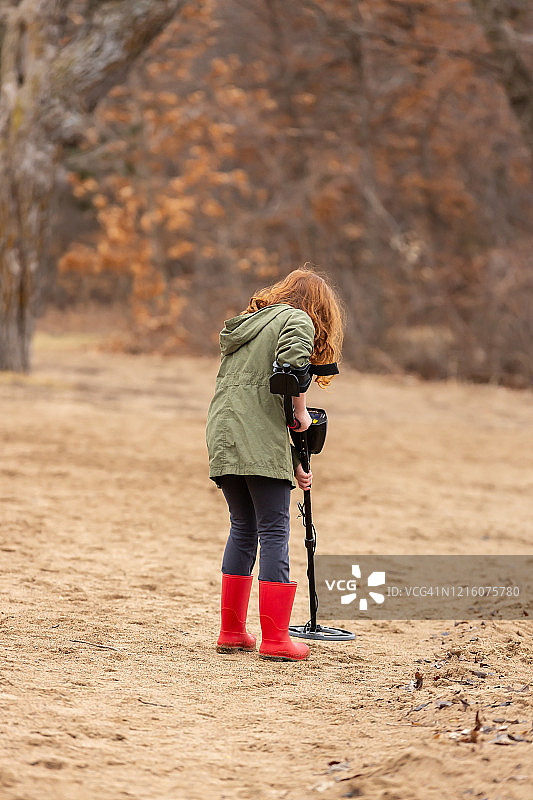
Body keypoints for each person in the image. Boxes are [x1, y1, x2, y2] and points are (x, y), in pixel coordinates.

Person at [206, 267, 344, 661]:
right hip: (257, 435)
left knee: (243, 527)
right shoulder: (297, 319)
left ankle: (232, 632)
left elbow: (257, 396)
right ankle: (276, 639)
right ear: (319, 308)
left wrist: (294, 461)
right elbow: (290, 373)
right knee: (273, 530)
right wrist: (300, 414)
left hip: (224, 432)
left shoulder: (247, 324)